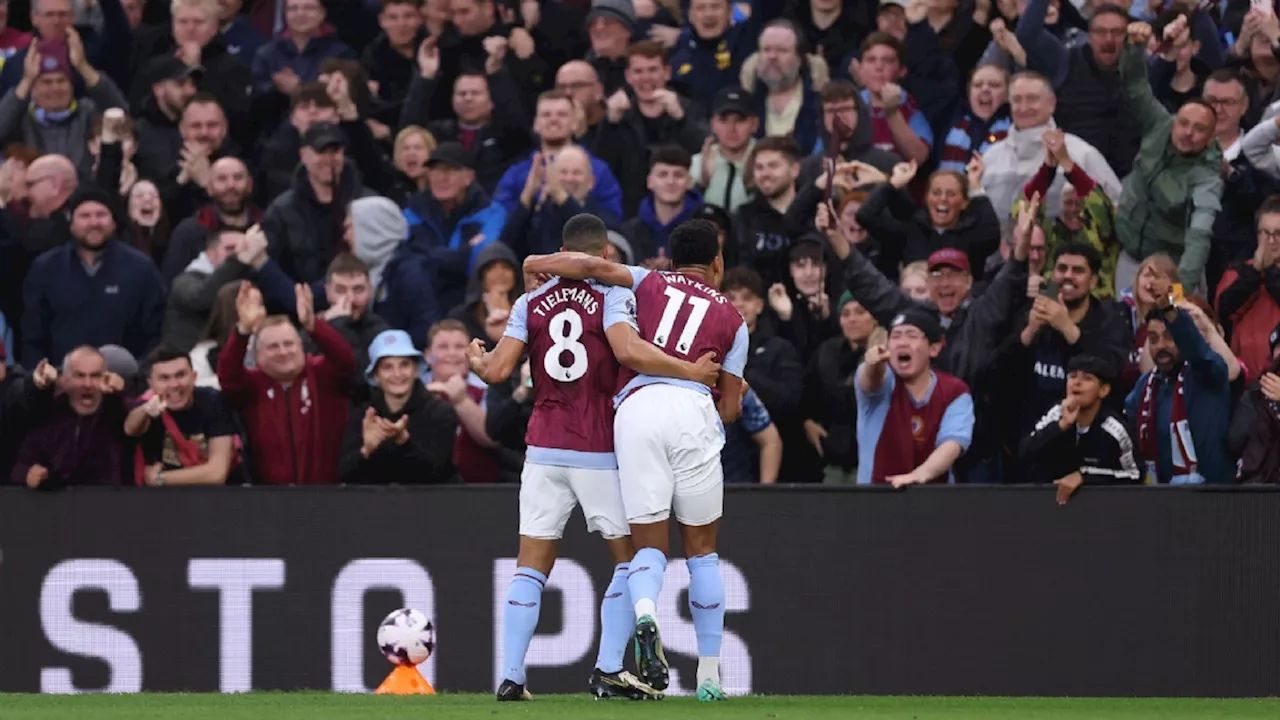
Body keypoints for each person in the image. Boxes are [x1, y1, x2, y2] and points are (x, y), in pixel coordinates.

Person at [468, 213, 719, 701]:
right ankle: (607, 669)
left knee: (530, 565)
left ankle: (512, 676)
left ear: (562, 253)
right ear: (603, 256)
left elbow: (497, 371)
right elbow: (629, 352)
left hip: (542, 449)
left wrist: (478, 362)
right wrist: (689, 371)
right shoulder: (614, 295)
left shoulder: (530, 301)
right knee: (631, 561)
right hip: (598, 448)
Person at [523, 217, 749, 702]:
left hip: (636, 411)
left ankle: (646, 611)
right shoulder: (734, 319)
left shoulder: (646, 279)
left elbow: (586, 264)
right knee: (702, 551)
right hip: (691, 410)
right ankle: (708, 676)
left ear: (670, 258)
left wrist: (533, 262)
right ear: (717, 263)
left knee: (648, 547)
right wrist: (736, 396)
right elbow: (728, 410)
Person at [855, 307, 974, 486]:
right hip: (876, 496)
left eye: (911, 335)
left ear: (933, 348)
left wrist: (920, 475)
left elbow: (953, 443)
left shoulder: (954, 392)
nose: (902, 342)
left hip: (934, 499)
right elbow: (870, 382)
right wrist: (874, 365)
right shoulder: (885, 381)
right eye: (895, 336)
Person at [1125, 301, 1234, 484]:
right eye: (1153, 338)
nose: (1161, 345)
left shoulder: (1207, 374)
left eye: (1169, 336)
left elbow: (1199, 353)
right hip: (1161, 498)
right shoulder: (1145, 387)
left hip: (1213, 498)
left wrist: (1172, 313)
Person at [338, 329, 459, 484]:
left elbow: (437, 471)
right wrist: (366, 451)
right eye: (387, 367)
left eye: (404, 365)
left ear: (416, 370)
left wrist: (404, 442)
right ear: (376, 375)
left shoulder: (440, 412)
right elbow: (344, 474)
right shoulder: (363, 415)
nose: (397, 374)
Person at [1020, 354, 1142, 504]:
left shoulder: (1114, 428)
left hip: (1103, 509)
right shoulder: (1057, 413)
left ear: (1103, 390)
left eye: (1087, 378)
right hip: (1050, 506)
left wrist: (1084, 477)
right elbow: (1025, 451)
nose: (1076, 383)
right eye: (1072, 376)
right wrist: (1061, 425)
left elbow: (1135, 475)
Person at [124, 345, 240, 486]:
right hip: (169, 500)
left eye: (180, 375)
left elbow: (217, 473)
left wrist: (159, 479)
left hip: (222, 496)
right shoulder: (149, 406)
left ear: (194, 377)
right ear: (151, 384)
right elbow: (130, 428)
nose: (174, 384)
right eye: (164, 378)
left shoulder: (213, 401)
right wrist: (146, 410)